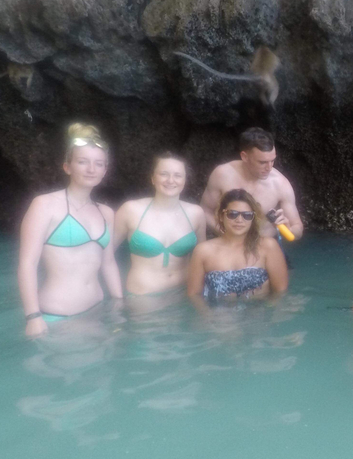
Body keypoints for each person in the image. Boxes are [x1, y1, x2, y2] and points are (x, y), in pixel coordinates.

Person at [18, 123, 123, 337]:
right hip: (57, 316)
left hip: (98, 312)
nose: (91, 169)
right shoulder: (44, 205)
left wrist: (120, 304)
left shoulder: (106, 213)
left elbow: (108, 262)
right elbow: (27, 264)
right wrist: (33, 317)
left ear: (105, 170)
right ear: (67, 166)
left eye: (98, 164)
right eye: (82, 162)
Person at [114, 152, 206, 295]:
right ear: (152, 178)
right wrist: (116, 295)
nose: (170, 180)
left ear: (185, 180)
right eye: (164, 174)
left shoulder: (196, 214)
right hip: (142, 297)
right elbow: (105, 254)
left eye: (177, 175)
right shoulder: (130, 210)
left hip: (184, 295)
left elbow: (203, 258)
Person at [200, 127, 303, 239]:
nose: (269, 168)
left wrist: (289, 230)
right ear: (244, 157)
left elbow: (297, 229)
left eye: (272, 160)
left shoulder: (280, 184)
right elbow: (205, 211)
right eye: (262, 162)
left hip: (263, 245)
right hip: (227, 243)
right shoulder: (222, 175)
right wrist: (227, 235)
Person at [187, 189, 288, 300]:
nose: (239, 220)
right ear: (221, 215)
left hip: (260, 312)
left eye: (247, 215)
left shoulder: (268, 246)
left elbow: (280, 292)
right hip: (217, 315)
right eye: (232, 214)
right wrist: (208, 316)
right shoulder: (203, 251)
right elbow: (194, 295)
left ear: (253, 219)